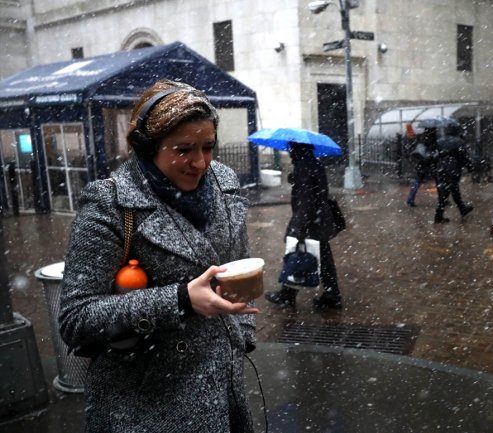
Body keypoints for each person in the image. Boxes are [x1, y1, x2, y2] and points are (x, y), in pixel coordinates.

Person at [59, 79, 259, 433]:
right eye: (183, 149)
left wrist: (241, 333)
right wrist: (180, 300)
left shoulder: (224, 182)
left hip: (221, 390)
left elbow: (237, 259)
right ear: (148, 147)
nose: (200, 163)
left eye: (208, 146)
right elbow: (76, 319)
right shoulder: (111, 205)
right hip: (145, 403)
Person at [265, 142, 342, 310]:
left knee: (295, 254)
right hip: (319, 219)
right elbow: (316, 190)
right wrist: (296, 178)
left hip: (310, 221)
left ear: (298, 149)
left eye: (292, 148)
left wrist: (299, 229)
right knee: (323, 258)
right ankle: (331, 294)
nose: (290, 151)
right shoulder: (313, 163)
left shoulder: (303, 167)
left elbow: (305, 200)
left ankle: (289, 295)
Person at [433, 117, 475, 223]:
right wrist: (470, 166)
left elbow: (436, 155)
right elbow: (463, 156)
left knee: (452, 190)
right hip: (452, 168)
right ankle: (439, 216)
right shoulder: (458, 141)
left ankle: (462, 209)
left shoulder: (440, 141)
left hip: (441, 167)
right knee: (448, 192)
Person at [406, 127, 438, 207]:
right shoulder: (433, 140)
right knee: (439, 181)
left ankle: (410, 199)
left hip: (421, 164)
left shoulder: (421, 138)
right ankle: (443, 199)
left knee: (417, 182)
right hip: (429, 164)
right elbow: (433, 152)